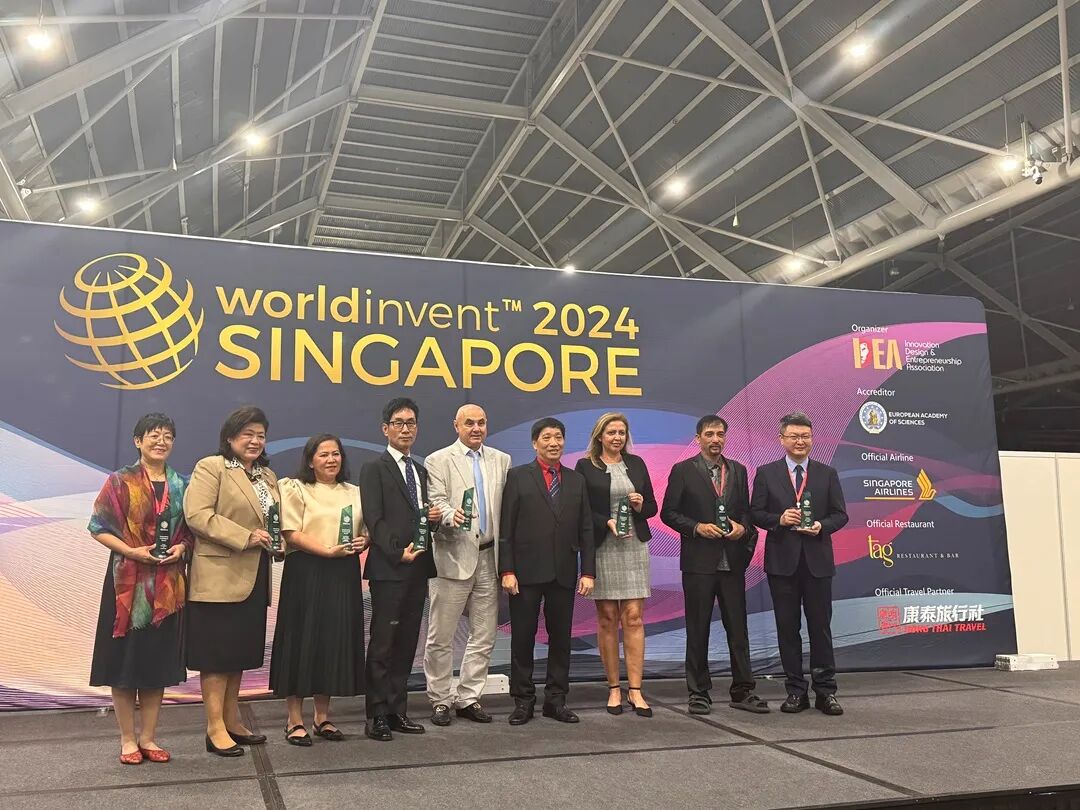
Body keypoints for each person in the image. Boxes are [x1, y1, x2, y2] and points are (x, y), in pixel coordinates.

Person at [89, 413, 192, 765]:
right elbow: (98, 526)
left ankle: (148, 737)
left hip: (167, 587)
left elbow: (191, 532)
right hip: (127, 587)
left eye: (168, 436)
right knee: (124, 662)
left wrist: (183, 548)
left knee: (155, 663)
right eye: (154, 435)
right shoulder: (120, 481)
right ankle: (127, 739)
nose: (161, 441)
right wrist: (131, 552)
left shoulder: (182, 484)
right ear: (138, 441)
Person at [184, 406, 281, 757]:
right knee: (217, 655)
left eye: (260, 435)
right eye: (247, 434)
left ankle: (232, 719)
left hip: (254, 577)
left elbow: (273, 520)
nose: (255, 441)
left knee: (238, 654)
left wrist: (277, 541)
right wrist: (246, 536)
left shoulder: (267, 476)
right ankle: (214, 728)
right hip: (218, 577)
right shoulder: (212, 467)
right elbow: (197, 515)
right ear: (230, 437)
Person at [661, 415, 765, 716]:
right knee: (698, 629)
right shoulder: (683, 470)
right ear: (698, 439)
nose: (715, 439)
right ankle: (698, 693)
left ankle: (743, 690)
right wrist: (696, 528)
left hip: (732, 562)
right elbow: (669, 513)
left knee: (738, 629)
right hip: (698, 563)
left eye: (720, 434)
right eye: (709, 434)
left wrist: (742, 528)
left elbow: (746, 512)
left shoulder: (738, 470)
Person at [270, 434, 368, 746]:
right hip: (306, 571)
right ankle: (294, 720)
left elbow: (366, 531)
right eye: (323, 454)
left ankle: (322, 717)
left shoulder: (355, 492)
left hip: (343, 572)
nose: (331, 460)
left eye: (336, 454)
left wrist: (364, 540)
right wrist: (326, 551)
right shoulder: (295, 487)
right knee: (301, 641)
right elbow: (291, 532)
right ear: (310, 460)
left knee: (331, 641)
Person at [750, 412, 848, 716]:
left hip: (818, 562)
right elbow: (755, 513)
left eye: (805, 436)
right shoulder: (766, 473)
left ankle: (826, 692)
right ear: (781, 439)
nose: (800, 441)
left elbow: (840, 515)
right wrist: (779, 519)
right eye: (793, 436)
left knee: (821, 629)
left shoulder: (826, 473)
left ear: (812, 439)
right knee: (787, 629)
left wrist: (821, 526)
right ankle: (795, 691)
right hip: (782, 564)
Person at [500, 417, 595, 726]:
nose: (553, 443)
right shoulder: (518, 477)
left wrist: (588, 572)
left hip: (564, 573)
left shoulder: (576, 480)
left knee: (561, 639)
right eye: (547, 438)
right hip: (524, 573)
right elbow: (506, 528)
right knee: (522, 639)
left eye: (558, 437)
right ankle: (523, 701)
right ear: (534, 443)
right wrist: (507, 569)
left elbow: (586, 529)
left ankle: (556, 700)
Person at [359, 397, 443, 742]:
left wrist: (432, 520)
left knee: (408, 642)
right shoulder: (374, 469)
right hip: (389, 568)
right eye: (399, 423)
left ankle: (397, 710)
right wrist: (397, 553)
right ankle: (376, 715)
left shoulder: (420, 471)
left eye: (411, 423)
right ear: (386, 429)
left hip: (418, 568)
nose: (405, 429)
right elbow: (374, 520)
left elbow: (419, 518)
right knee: (383, 644)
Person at [423, 404, 511, 726]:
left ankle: (469, 697)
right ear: (456, 426)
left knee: (484, 635)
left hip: (489, 556)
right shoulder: (438, 460)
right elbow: (437, 501)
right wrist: (450, 514)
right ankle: (440, 699)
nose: (476, 428)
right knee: (441, 636)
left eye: (481, 423)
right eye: (469, 423)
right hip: (452, 555)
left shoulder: (502, 460)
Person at [574, 412, 657, 717]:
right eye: (611, 433)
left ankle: (635, 689)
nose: (617, 437)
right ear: (600, 436)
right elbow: (581, 510)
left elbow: (652, 507)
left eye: (622, 432)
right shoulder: (586, 466)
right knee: (608, 617)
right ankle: (613, 688)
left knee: (633, 618)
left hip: (634, 546)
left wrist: (640, 505)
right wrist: (606, 522)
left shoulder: (637, 464)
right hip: (603, 546)